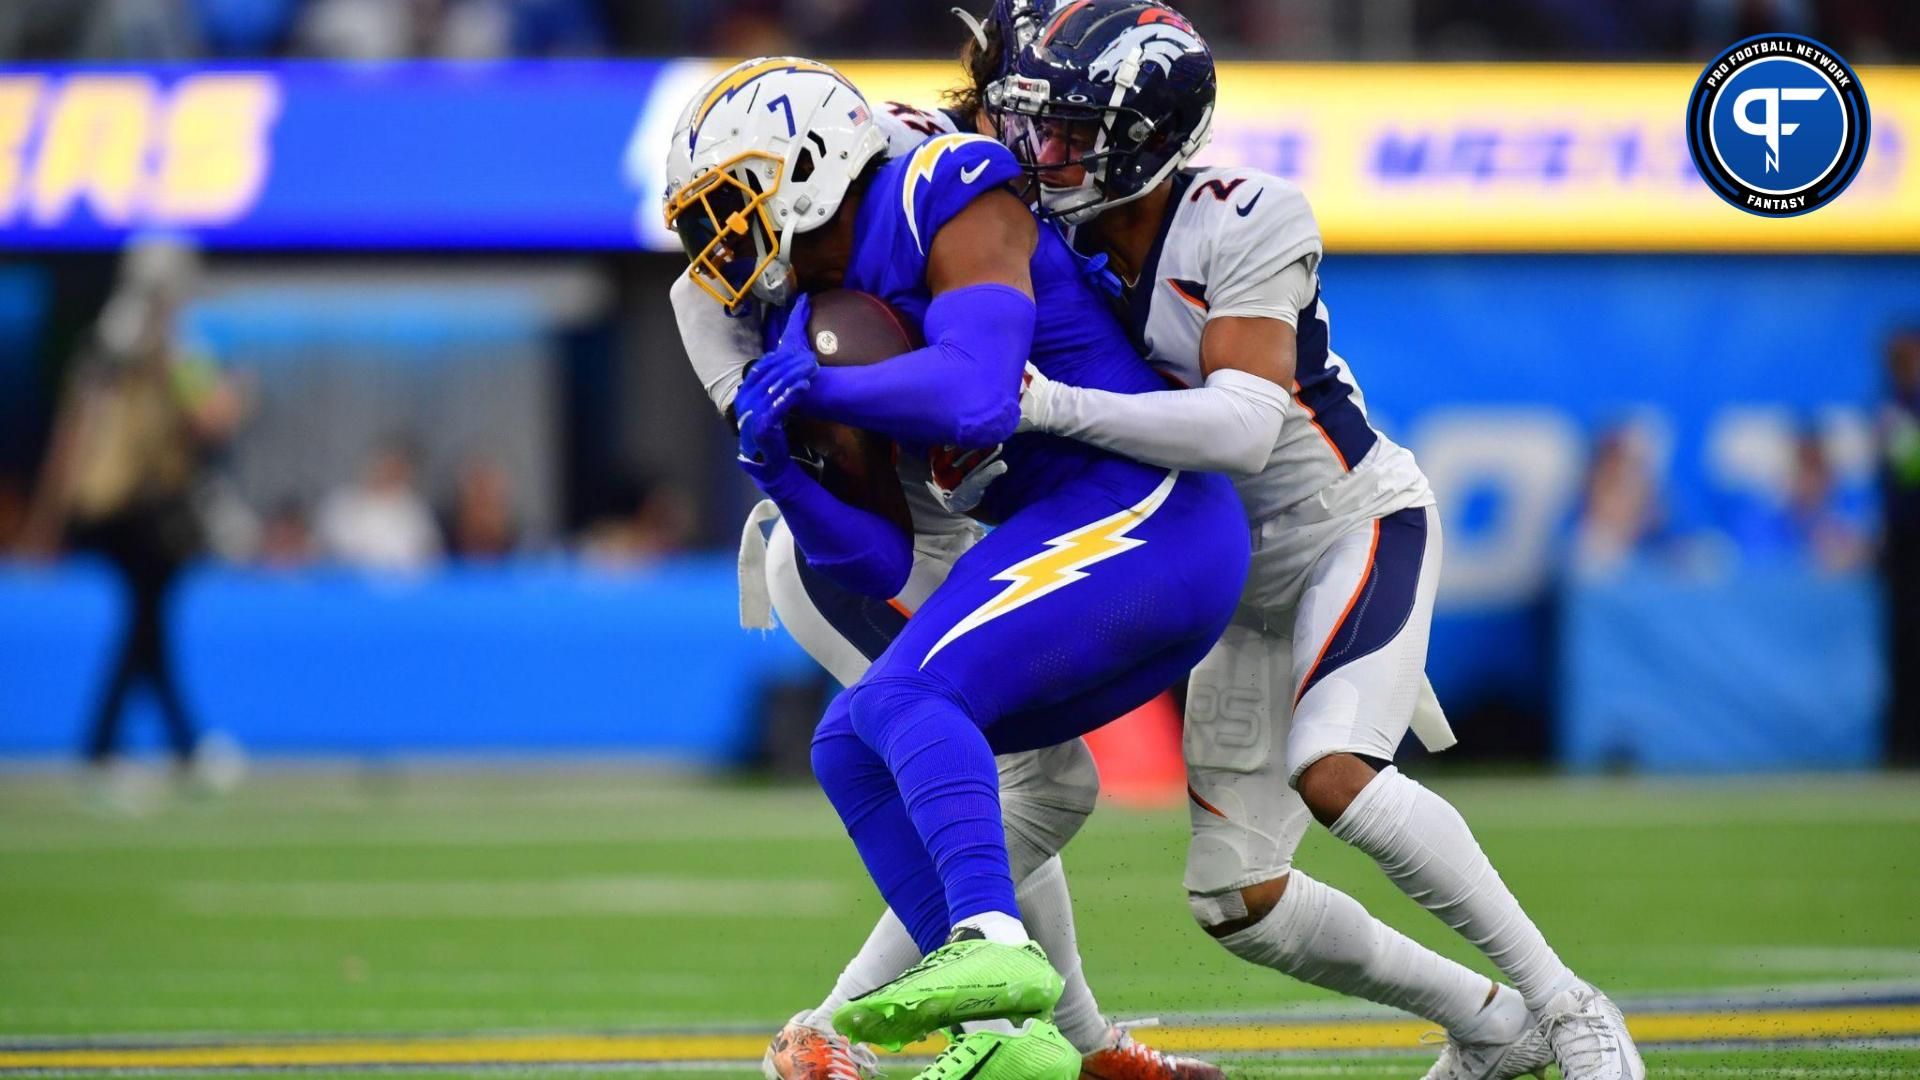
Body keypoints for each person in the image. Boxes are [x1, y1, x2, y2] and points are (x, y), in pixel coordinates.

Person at [988, 4, 1642, 1078]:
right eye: (1039, 125)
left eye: (1069, 130)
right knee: (1232, 897)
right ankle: (1489, 1024)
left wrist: (1052, 407)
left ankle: (1567, 1002)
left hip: (1347, 522)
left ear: (1148, 136)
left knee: (1337, 771)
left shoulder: (1246, 215)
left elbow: (1244, 427)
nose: (1045, 152)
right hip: (1231, 580)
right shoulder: (1052, 230)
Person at [666, 56, 1251, 1080]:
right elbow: (875, 550)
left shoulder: (946, 184)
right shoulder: (751, 308)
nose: (718, 244)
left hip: (1139, 507)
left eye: (733, 203)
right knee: (852, 743)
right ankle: (1010, 1032)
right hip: (998, 527)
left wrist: (827, 396)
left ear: (813, 162)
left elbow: (981, 397)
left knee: (937, 721)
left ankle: (969, 987)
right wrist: (779, 471)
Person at [17, 236, 246, 791]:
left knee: (147, 624)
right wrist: (44, 522)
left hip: (124, 506)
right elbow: (210, 417)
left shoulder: (127, 344)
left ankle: (168, 744)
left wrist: (47, 516)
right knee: (144, 623)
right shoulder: (148, 347)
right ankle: (123, 748)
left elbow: (76, 432)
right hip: (127, 508)